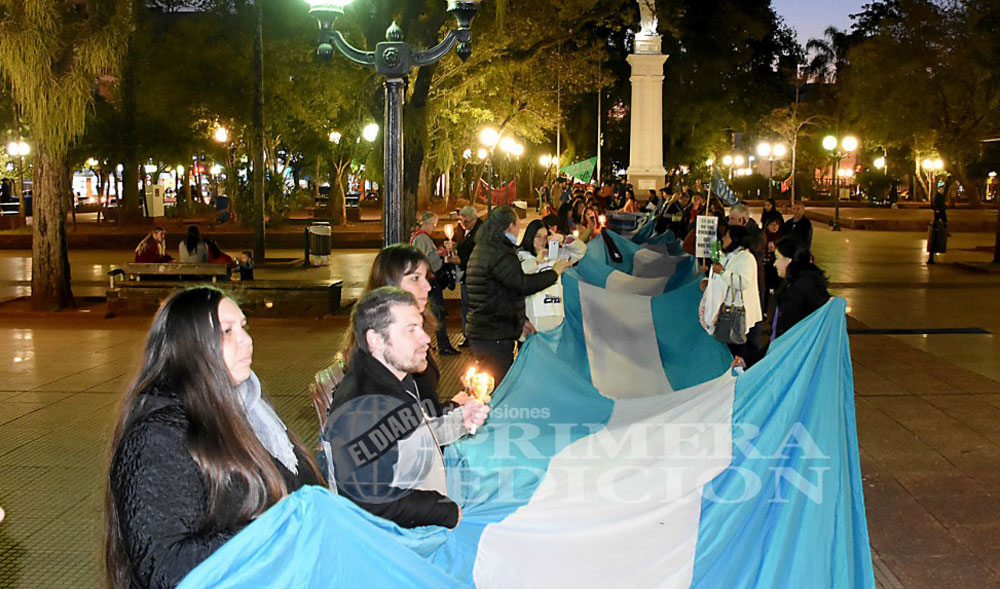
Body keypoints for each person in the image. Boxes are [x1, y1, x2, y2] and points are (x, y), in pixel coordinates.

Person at [105, 288, 323, 588]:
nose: (247, 340)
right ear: (189, 349)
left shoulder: (248, 410)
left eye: (243, 327)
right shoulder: (158, 437)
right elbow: (162, 566)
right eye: (227, 332)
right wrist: (269, 530)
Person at [324, 287, 489, 529]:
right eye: (411, 330)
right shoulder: (364, 407)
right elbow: (370, 502)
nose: (425, 338)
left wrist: (459, 421)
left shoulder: (396, 378)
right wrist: (442, 509)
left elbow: (410, 438)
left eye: (421, 327)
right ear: (376, 340)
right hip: (398, 546)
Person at [343, 244, 471, 414]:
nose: (428, 286)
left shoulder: (414, 329)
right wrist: (454, 408)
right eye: (415, 278)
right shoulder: (386, 348)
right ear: (389, 284)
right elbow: (409, 423)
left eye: (426, 277)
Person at [466, 206, 571, 381]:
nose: (519, 229)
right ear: (509, 226)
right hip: (494, 334)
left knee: (493, 384)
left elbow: (501, 293)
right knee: (497, 387)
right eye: (518, 225)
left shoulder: (485, 248)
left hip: (487, 330)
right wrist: (553, 273)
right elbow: (521, 284)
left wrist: (521, 320)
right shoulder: (500, 253)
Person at [707, 225, 764, 366]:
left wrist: (722, 272)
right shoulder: (729, 255)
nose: (723, 239)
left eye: (726, 236)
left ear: (735, 239)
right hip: (729, 308)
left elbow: (742, 282)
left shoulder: (746, 258)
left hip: (739, 311)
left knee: (739, 344)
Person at [410, 211, 460, 355]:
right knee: (438, 312)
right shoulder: (422, 239)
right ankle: (443, 344)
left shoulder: (418, 237)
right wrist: (439, 254)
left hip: (425, 279)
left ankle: (427, 342)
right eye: (432, 225)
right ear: (425, 223)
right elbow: (427, 259)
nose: (433, 228)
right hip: (430, 279)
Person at [771, 236, 830, 341]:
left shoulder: (807, 284)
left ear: (789, 259)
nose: (774, 264)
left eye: (777, 258)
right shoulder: (791, 283)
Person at [518, 220, 566, 333]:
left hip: (556, 316)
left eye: (545, 237)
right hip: (533, 319)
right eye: (538, 236)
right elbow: (517, 274)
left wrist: (562, 239)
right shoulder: (521, 255)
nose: (542, 241)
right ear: (530, 236)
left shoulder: (554, 256)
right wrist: (536, 262)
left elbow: (580, 251)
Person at [455, 206, 482, 348]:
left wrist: (461, 260)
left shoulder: (480, 232)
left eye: (467, 222)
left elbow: (478, 256)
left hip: (474, 275)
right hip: (465, 274)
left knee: (471, 306)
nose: (464, 224)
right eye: (462, 221)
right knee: (466, 305)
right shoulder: (463, 229)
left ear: (475, 219)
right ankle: (468, 335)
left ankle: (473, 336)